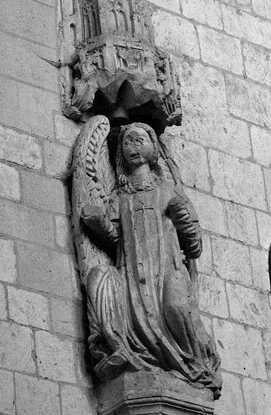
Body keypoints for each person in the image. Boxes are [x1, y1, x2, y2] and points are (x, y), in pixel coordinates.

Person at [81, 122, 221, 397]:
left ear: (153, 148)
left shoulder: (169, 191)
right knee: (101, 281)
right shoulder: (120, 196)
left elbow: (194, 247)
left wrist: (184, 221)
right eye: (127, 142)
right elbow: (115, 236)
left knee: (176, 307)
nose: (132, 147)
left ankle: (194, 364)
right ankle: (128, 350)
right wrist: (99, 223)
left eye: (139, 140)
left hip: (167, 268)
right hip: (134, 273)